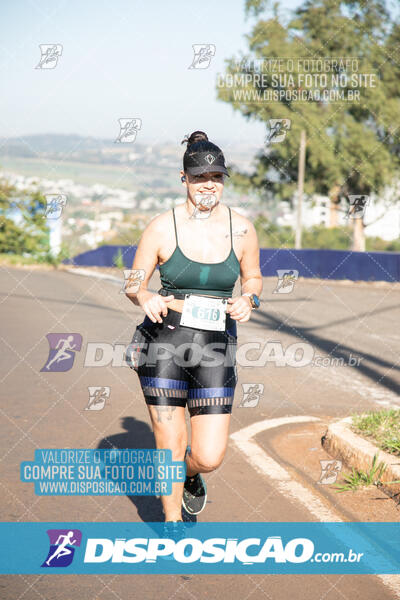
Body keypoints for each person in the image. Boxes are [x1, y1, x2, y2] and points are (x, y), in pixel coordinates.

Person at [126, 131, 262, 529]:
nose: (209, 185)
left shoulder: (243, 229)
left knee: (209, 454)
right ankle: (170, 523)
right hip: (164, 340)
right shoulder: (161, 227)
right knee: (171, 442)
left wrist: (249, 300)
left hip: (216, 345)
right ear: (183, 178)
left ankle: (190, 474)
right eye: (200, 177)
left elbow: (252, 277)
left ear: (224, 180)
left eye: (216, 178)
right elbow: (134, 280)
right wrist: (143, 296)